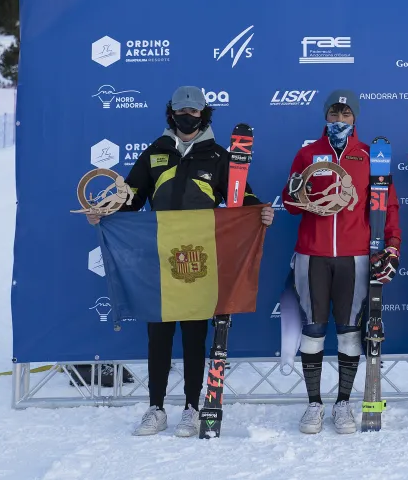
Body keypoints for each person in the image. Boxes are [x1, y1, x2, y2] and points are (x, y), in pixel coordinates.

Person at [88, 85, 274, 437]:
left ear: (204, 115)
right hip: (159, 258)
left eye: (195, 112)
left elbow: (242, 198)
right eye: (181, 111)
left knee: (193, 336)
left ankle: (192, 406)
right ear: (170, 113)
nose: (188, 117)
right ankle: (155, 407)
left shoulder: (219, 156)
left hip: (199, 259)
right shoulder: (154, 153)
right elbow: (130, 199)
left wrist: (261, 213)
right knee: (158, 334)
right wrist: (103, 213)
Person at [282, 89, 401, 435]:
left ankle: (343, 404)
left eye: (345, 115)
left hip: (355, 256)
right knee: (314, 330)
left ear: (355, 118)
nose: (339, 121)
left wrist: (392, 247)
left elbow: (386, 207)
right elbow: (290, 203)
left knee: (350, 332)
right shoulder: (308, 154)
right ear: (325, 117)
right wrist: (297, 193)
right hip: (312, 255)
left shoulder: (369, 156)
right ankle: (314, 404)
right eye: (333, 115)